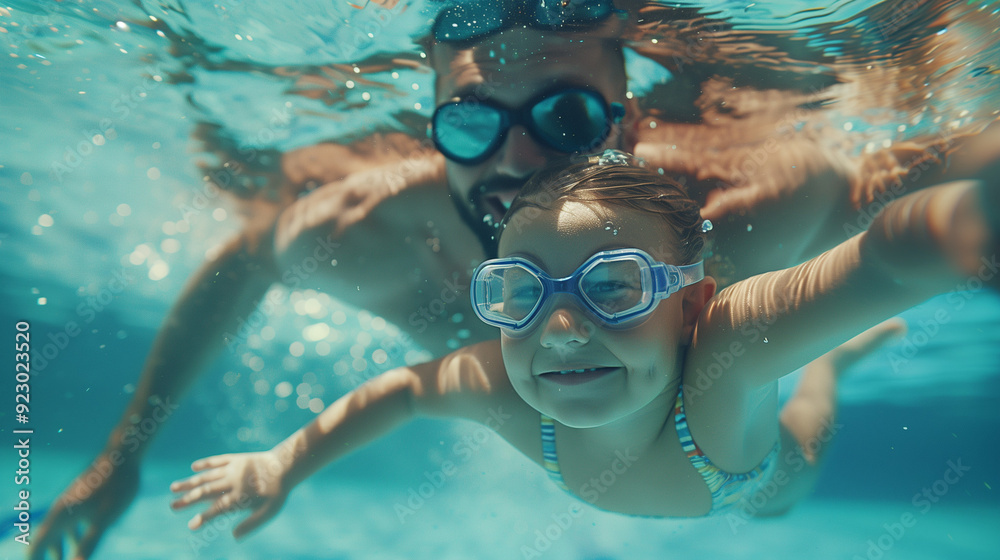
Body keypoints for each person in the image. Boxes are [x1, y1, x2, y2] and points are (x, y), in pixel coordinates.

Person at [32, 1, 1000, 557]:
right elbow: (380, 367)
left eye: (567, 115)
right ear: (429, 130)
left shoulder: (755, 210)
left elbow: (892, 231)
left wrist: (964, 227)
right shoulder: (364, 228)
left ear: (624, 125)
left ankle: (840, 359)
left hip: (743, 461)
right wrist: (129, 453)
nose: (520, 154)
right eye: (470, 120)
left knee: (793, 453)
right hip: (616, 434)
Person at [169, 150, 997, 534]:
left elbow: (885, 256)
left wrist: (969, 219)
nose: (561, 332)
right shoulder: (496, 380)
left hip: (752, 479)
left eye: (613, 286)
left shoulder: (725, 346)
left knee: (782, 495)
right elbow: (406, 389)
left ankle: (833, 366)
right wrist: (281, 461)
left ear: (691, 305)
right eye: (519, 294)